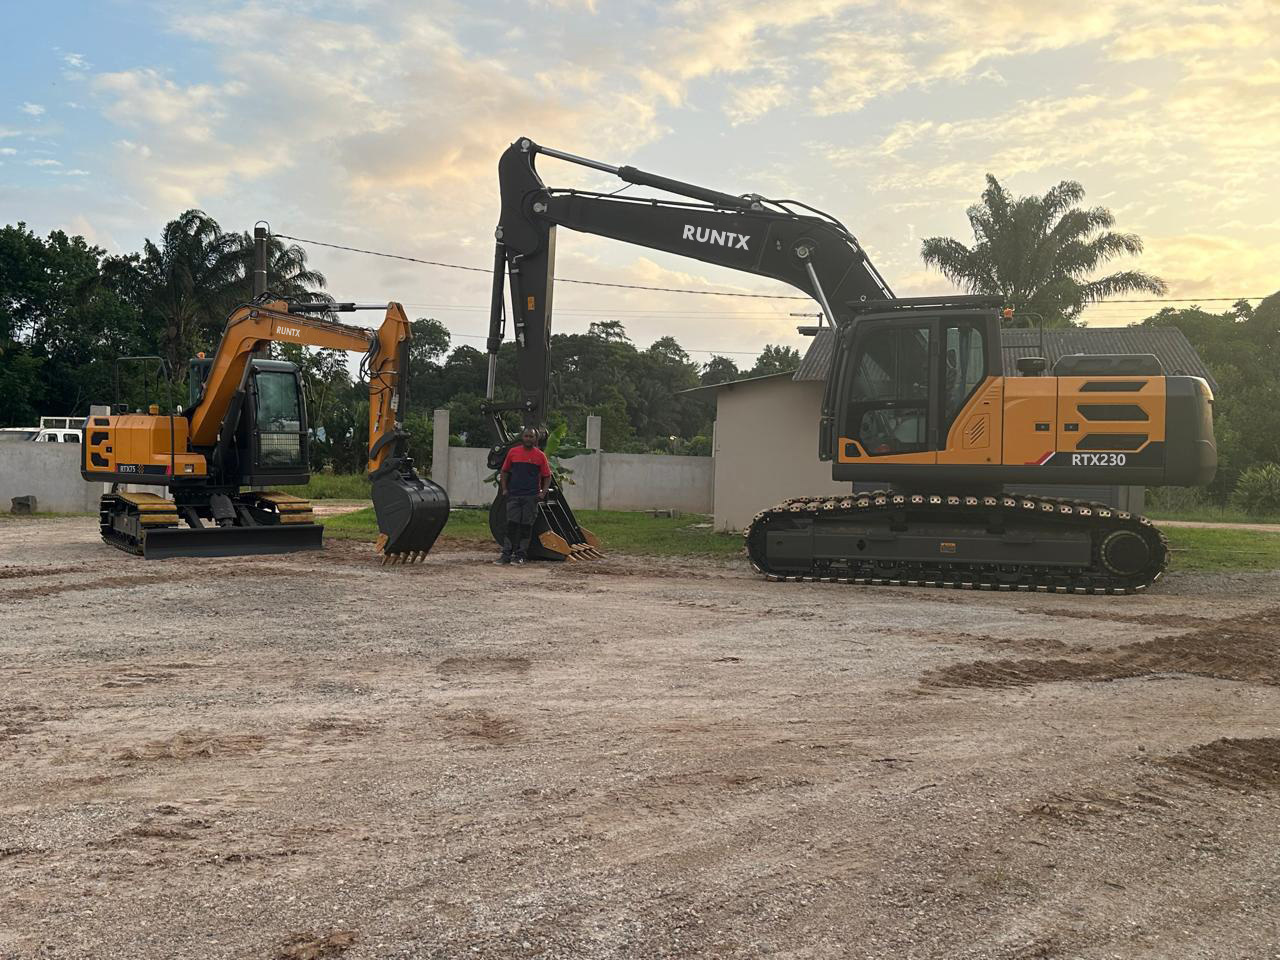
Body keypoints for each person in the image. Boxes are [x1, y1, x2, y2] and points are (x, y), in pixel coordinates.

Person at [495, 427, 551, 564]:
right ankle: (506, 554)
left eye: (531, 437)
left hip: (530, 497)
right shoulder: (513, 453)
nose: (528, 439)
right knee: (511, 525)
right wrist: (504, 489)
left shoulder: (540, 456)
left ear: (535, 439)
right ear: (522, 437)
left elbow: (547, 476)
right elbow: (505, 471)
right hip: (514, 495)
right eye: (526, 436)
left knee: (526, 526)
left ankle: (520, 555)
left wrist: (543, 492)